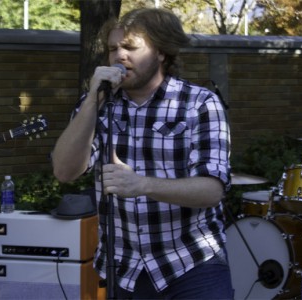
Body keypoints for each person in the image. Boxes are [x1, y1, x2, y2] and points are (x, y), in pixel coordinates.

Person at [50, 8, 233, 299]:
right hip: (124, 269)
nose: (119, 56)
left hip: (191, 264)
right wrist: (92, 101)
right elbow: (64, 171)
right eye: (113, 48)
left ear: (161, 52)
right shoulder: (97, 104)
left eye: (130, 47)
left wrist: (141, 185)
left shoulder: (199, 103)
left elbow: (212, 189)